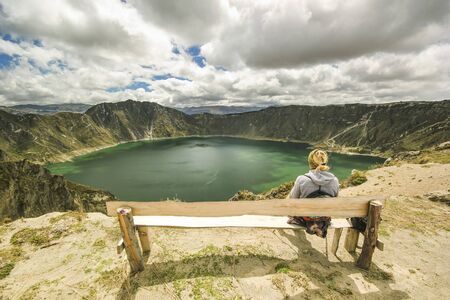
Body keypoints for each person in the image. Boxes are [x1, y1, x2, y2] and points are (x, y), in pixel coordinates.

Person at [287, 149, 339, 237]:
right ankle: (318, 225)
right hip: (324, 219)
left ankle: (310, 225)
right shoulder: (335, 181)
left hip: (305, 218)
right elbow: (335, 202)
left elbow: (292, 201)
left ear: (310, 162)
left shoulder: (302, 179)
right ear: (325, 161)